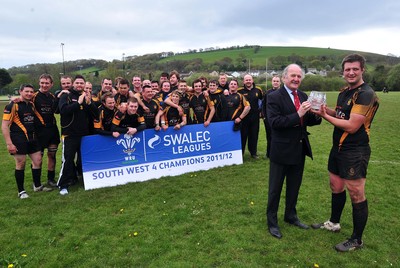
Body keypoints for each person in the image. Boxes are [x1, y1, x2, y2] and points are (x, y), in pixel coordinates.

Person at [311, 54, 379, 252]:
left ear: (362, 70)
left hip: (355, 151)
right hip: (338, 149)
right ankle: (334, 223)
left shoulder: (366, 93)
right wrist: (325, 110)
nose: (350, 72)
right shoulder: (345, 92)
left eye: (355, 69)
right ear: (343, 71)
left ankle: (357, 240)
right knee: (336, 185)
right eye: (347, 69)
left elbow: (351, 126)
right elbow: (341, 114)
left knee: (356, 193)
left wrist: (324, 116)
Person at [266, 64, 321, 239]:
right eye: (293, 76)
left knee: (294, 186)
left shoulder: (303, 95)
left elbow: (308, 120)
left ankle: (291, 216)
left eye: (299, 76)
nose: (296, 79)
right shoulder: (274, 97)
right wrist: (297, 114)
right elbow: (275, 122)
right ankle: (272, 222)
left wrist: (319, 114)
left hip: (299, 148)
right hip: (281, 150)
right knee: (275, 189)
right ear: (284, 78)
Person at [2, 84, 52, 199]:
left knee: (38, 160)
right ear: (20, 91)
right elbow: (4, 126)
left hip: (33, 138)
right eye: (26, 91)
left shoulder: (31, 105)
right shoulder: (12, 105)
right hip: (18, 138)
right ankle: (21, 191)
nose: (29, 94)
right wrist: (9, 143)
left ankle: (38, 186)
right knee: (21, 163)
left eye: (31, 92)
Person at [57, 75, 99, 195]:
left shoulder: (86, 97)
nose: (79, 85)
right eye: (77, 83)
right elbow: (63, 110)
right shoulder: (66, 95)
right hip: (69, 134)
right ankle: (62, 185)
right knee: (68, 159)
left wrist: (89, 102)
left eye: (82, 83)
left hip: (84, 135)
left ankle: (85, 180)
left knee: (83, 159)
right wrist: (78, 103)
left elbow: (96, 114)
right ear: (73, 84)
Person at [32, 74, 61, 187]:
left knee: (52, 155)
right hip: (39, 131)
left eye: (47, 83)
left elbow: (57, 110)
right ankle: (37, 183)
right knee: (38, 158)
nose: (44, 85)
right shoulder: (34, 96)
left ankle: (51, 179)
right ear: (39, 83)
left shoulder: (52, 97)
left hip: (52, 130)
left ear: (51, 84)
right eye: (42, 83)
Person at [238, 74, 263, 158]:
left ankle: (253, 153)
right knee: (243, 135)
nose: (248, 81)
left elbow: (262, 101)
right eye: (246, 80)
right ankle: (241, 153)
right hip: (244, 117)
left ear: (252, 80)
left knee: (254, 135)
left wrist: (261, 112)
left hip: (255, 117)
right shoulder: (240, 90)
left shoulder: (258, 90)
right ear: (244, 81)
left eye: (249, 80)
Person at [262, 76, 281, 158]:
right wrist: (264, 117)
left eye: (277, 81)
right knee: (269, 137)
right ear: (272, 82)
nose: (276, 82)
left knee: (280, 137)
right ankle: (269, 154)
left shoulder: (283, 92)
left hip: (280, 119)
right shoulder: (268, 93)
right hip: (269, 120)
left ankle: (279, 154)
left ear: (280, 82)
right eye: (274, 81)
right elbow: (263, 106)